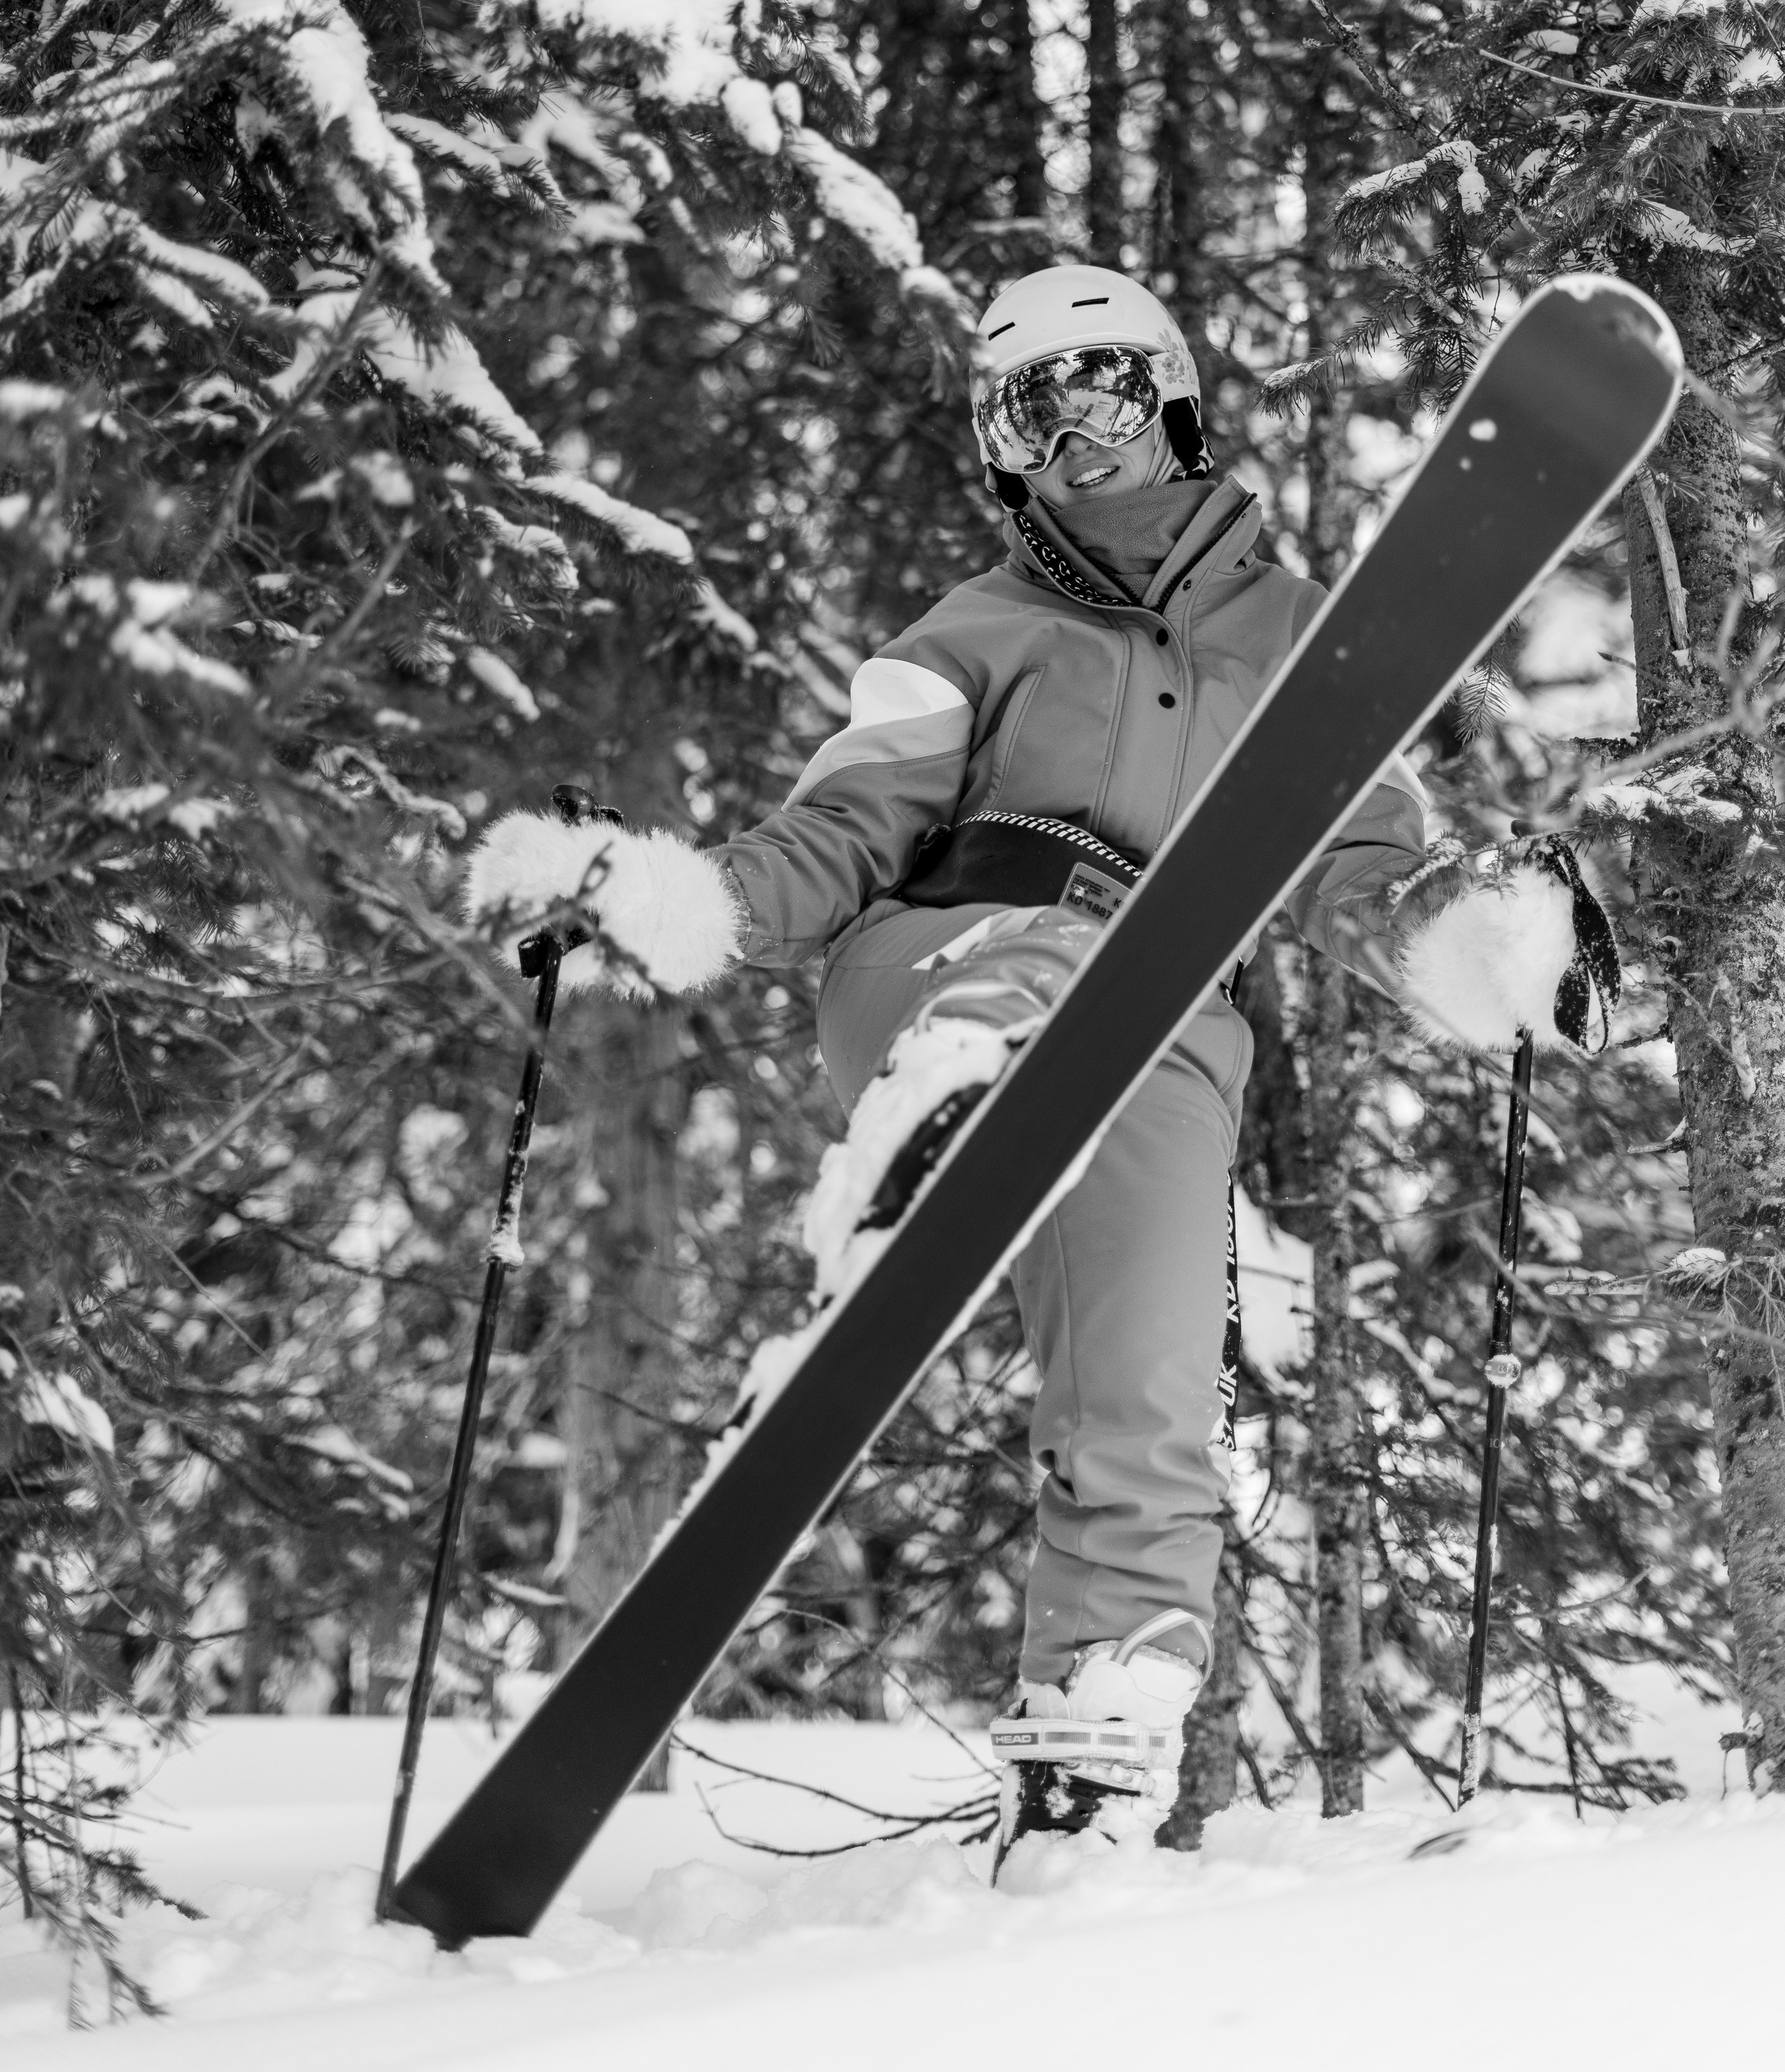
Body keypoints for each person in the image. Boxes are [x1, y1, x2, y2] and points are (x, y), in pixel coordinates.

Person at [467, 265, 1591, 1867]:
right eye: (1024, 410)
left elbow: (1362, 880)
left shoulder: (1309, 645)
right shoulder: (961, 636)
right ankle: (937, 1135)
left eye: (1100, 389)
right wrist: (678, 896)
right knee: (1056, 967)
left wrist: (1480, 947)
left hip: (1172, 1030)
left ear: (1173, 396)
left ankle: (1087, 1761)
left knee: (1146, 1391)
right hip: (945, 950)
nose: (1065, 435)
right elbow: (845, 831)